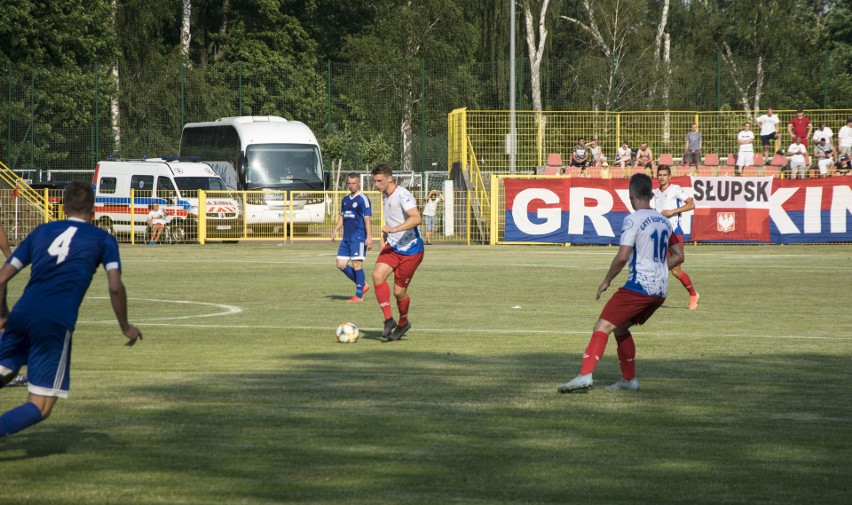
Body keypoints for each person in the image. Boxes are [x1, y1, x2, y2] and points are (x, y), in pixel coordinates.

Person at [0, 181, 142, 439]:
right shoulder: (102, 239)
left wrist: (2, 315)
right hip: (53, 322)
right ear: (94, 208)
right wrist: (125, 326)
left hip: (21, 315)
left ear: (63, 207)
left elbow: (1, 279)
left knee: (5, 371)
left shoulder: (42, 231)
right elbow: (114, 286)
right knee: (41, 405)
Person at [558, 173, 684, 393]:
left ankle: (585, 374)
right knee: (621, 327)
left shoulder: (632, 219)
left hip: (640, 286)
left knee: (602, 326)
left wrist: (606, 280)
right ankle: (629, 380)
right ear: (651, 194)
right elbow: (678, 254)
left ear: (631, 194)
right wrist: (659, 266)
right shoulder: (663, 220)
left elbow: (623, 255)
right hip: (660, 290)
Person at [371, 164, 425, 342]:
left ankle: (403, 323)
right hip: (393, 246)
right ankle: (388, 319)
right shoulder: (385, 195)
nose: (376, 185)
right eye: (375, 181)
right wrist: (384, 237)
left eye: (379, 181)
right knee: (377, 275)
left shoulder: (403, 194)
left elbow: (416, 218)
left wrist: (394, 229)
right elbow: (392, 219)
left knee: (398, 293)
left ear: (389, 178)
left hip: (411, 250)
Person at [653, 166, 700, 310]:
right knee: (662, 268)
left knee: (675, 269)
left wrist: (672, 212)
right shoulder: (655, 193)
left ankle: (693, 294)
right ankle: (651, 298)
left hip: (675, 234)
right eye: (660, 175)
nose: (662, 177)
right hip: (661, 235)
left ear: (669, 176)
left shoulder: (675, 189)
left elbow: (691, 205)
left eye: (664, 175)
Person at [331, 173, 373, 303]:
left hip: (358, 237)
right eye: (349, 183)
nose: (351, 186)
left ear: (358, 183)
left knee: (356, 264)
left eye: (353, 183)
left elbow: (367, 219)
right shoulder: (345, 199)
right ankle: (362, 284)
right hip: (346, 238)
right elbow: (342, 216)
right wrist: (335, 230)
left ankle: (358, 296)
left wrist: (369, 237)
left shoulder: (363, 199)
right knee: (341, 264)